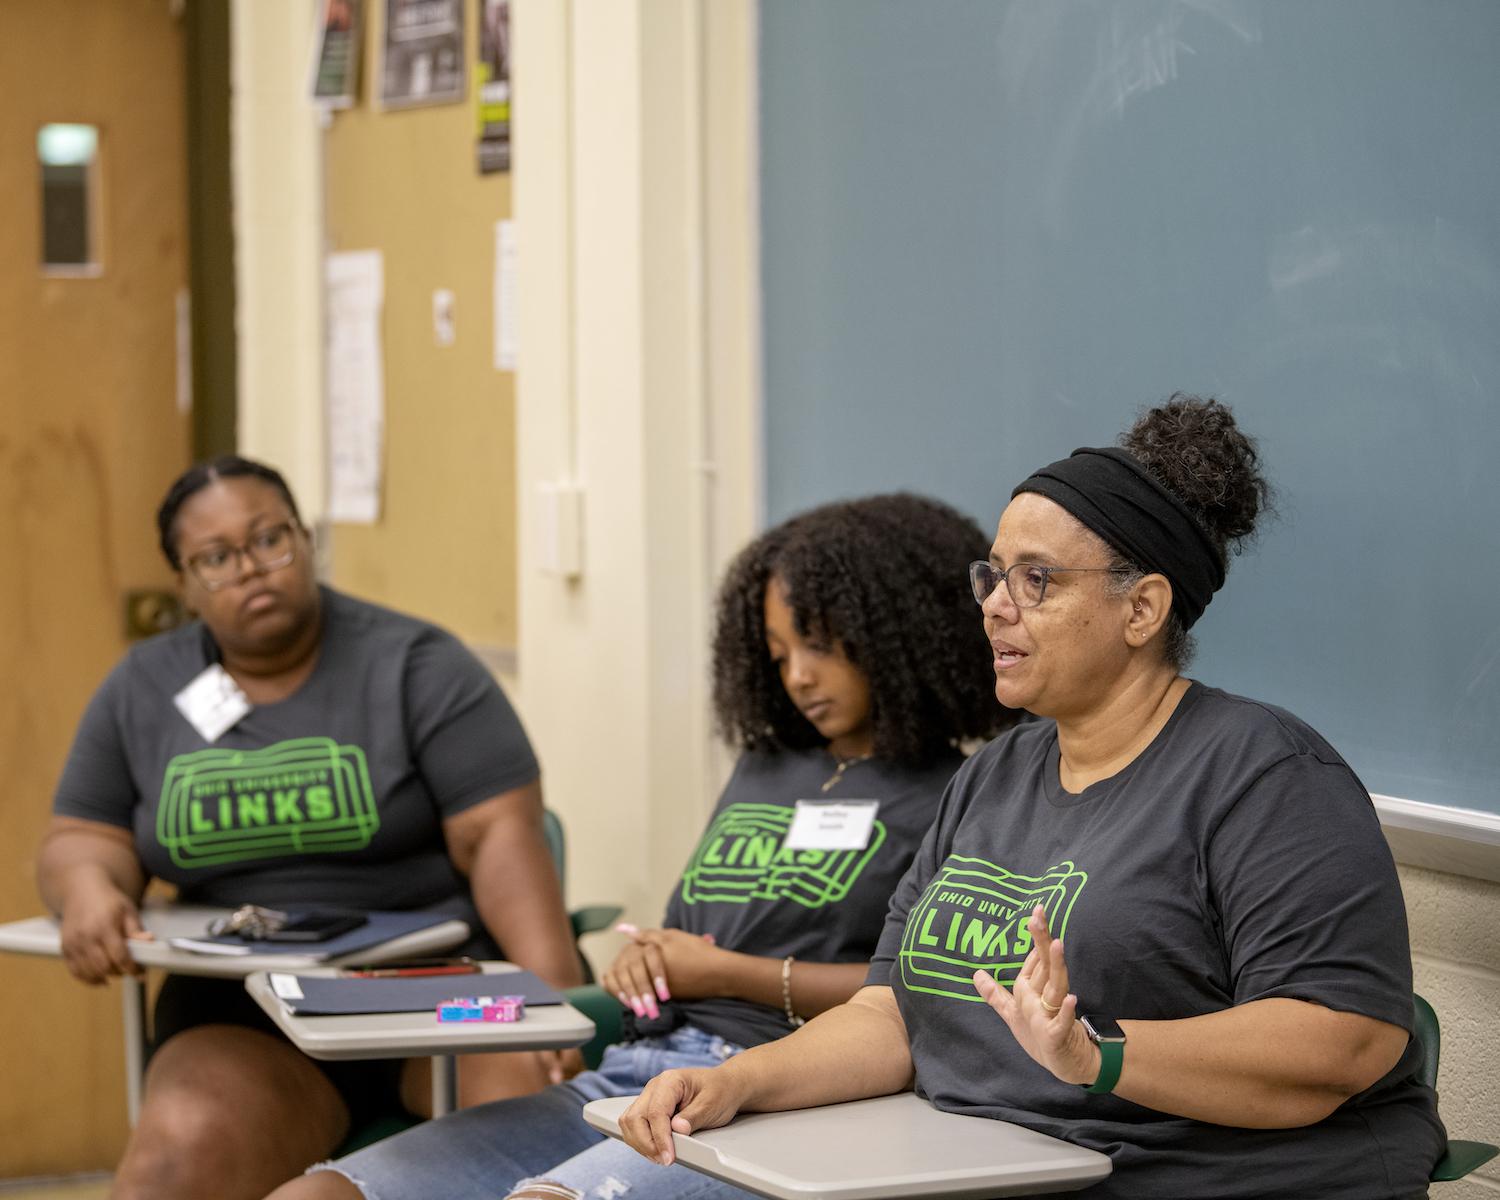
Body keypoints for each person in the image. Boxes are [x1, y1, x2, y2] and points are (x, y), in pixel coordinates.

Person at [618, 396, 1447, 1199]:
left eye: (1037, 580)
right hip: (967, 1169)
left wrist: (1096, 1055)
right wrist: (739, 1082)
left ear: (1142, 609)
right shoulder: (994, 775)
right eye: (992, 576)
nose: (993, 606)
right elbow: (891, 1016)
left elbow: (1340, 1043)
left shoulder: (1266, 776)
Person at [266, 492, 1014, 1200]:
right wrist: (648, 961)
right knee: (320, 1192)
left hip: (774, 1095)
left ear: (895, 634)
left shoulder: (955, 793)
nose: (798, 677)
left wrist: (726, 973)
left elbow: (917, 1000)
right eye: (778, 652)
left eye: (818, 646)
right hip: (635, 1072)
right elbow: (702, 931)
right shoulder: (765, 769)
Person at [38, 456, 585, 1200]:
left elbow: (500, 836)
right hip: (245, 1011)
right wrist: (87, 888)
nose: (250, 569)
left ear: (305, 539)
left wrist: (552, 1002)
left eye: (270, 540)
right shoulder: (142, 686)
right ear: (184, 583)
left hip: (434, 995)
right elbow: (85, 835)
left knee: (536, 1132)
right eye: (217, 558)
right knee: (175, 1158)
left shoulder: (415, 664)